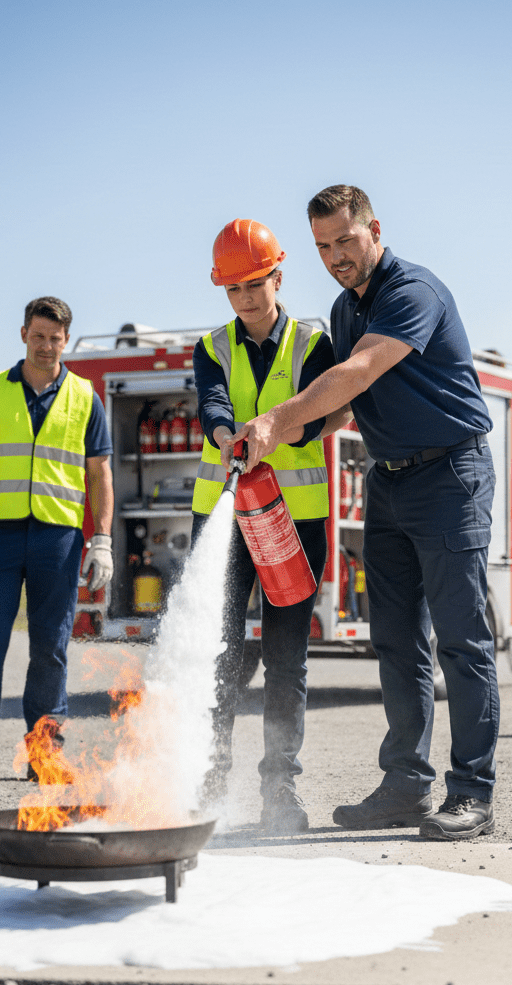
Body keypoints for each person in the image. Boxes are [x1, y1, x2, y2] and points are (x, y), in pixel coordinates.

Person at [232, 187, 499, 840]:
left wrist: (276, 417)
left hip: (449, 474)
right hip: (389, 481)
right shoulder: (343, 309)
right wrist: (288, 436)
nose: (335, 257)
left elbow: (357, 372)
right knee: (397, 640)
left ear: (374, 229)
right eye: (322, 247)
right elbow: (349, 407)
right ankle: (407, 785)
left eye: (344, 241)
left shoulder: (412, 292)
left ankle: (472, 793)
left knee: (462, 642)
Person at [192, 219, 345, 834]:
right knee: (220, 655)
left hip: (296, 524)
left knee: (286, 659)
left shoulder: (314, 343)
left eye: (256, 283)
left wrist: (273, 431)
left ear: (278, 277)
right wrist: (228, 434)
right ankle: (209, 785)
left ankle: (280, 790)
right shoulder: (213, 347)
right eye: (234, 289)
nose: (247, 298)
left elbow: (319, 412)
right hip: (225, 522)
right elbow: (212, 404)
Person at [0, 296, 114, 785]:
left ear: (65, 340)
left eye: (55, 338)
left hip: (58, 539)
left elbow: (100, 474)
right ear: (23, 335)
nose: (46, 346)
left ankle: (45, 756)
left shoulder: (85, 396)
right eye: (38, 336)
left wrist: (103, 540)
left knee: (50, 649)